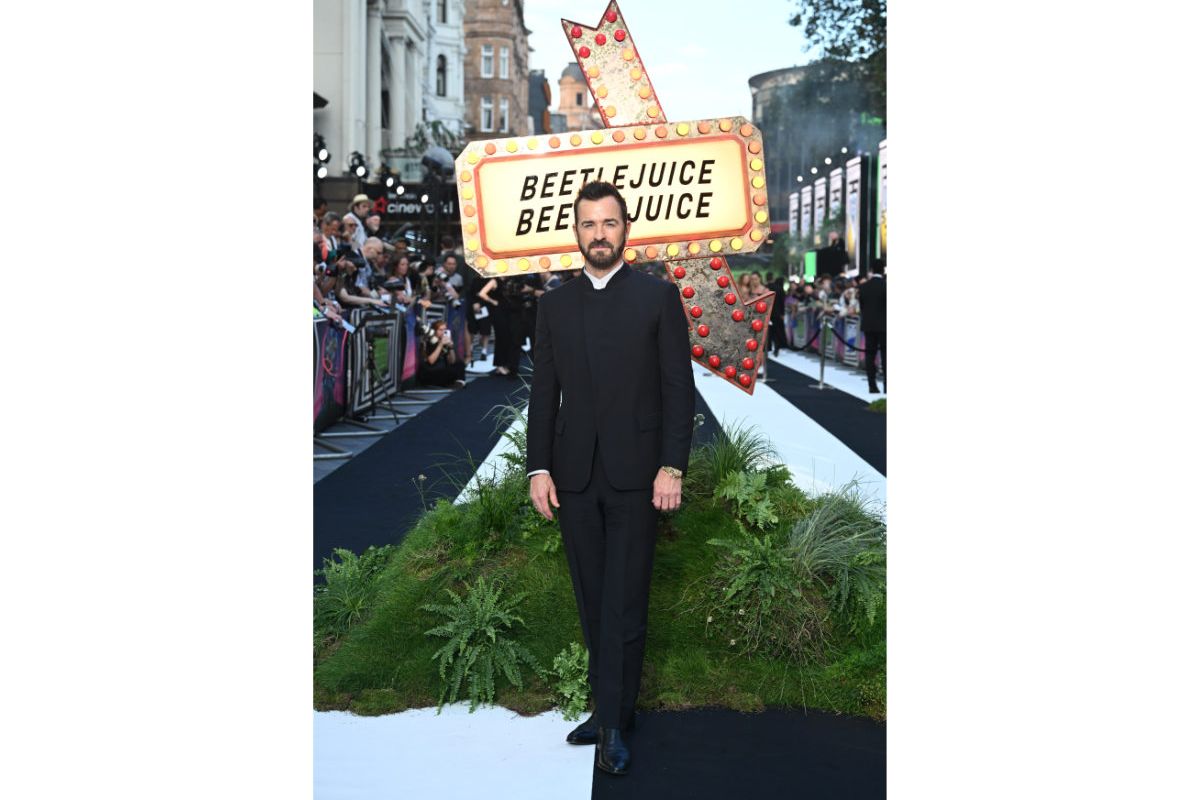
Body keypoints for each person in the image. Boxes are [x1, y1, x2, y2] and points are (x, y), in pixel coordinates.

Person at [526, 181, 694, 776]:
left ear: (627, 230)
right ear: (576, 231)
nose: (600, 234)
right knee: (592, 596)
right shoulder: (554, 305)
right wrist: (538, 467)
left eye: (610, 223)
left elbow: (679, 389)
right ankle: (609, 707)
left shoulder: (656, 298)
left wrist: (672, 465)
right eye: (589, 224)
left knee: (625, 599)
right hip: (573, 476)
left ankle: (616, 724)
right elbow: (544, 395)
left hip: (638, 475)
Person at [858, 263, 886, 393]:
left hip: (868, 325)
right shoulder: (886, 285)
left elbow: (862, 307)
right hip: (885, 326)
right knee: (886, 356)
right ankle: (887, 386)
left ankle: (872, 386)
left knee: (870, 356)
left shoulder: (863, 287)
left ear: (871, 270)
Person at [417, 319, 466, 387]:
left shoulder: (444, 340)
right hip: (430, 372)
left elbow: (452, 361)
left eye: (444, 330)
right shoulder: (429, 341)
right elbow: (431, 361)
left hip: (441, 369)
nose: (443, 332)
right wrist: (440, 345)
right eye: (440, 330)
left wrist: (451, 347)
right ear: (435, 331)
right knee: (448, 372)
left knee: (460, 364)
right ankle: (453, 382)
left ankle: (459, 382)